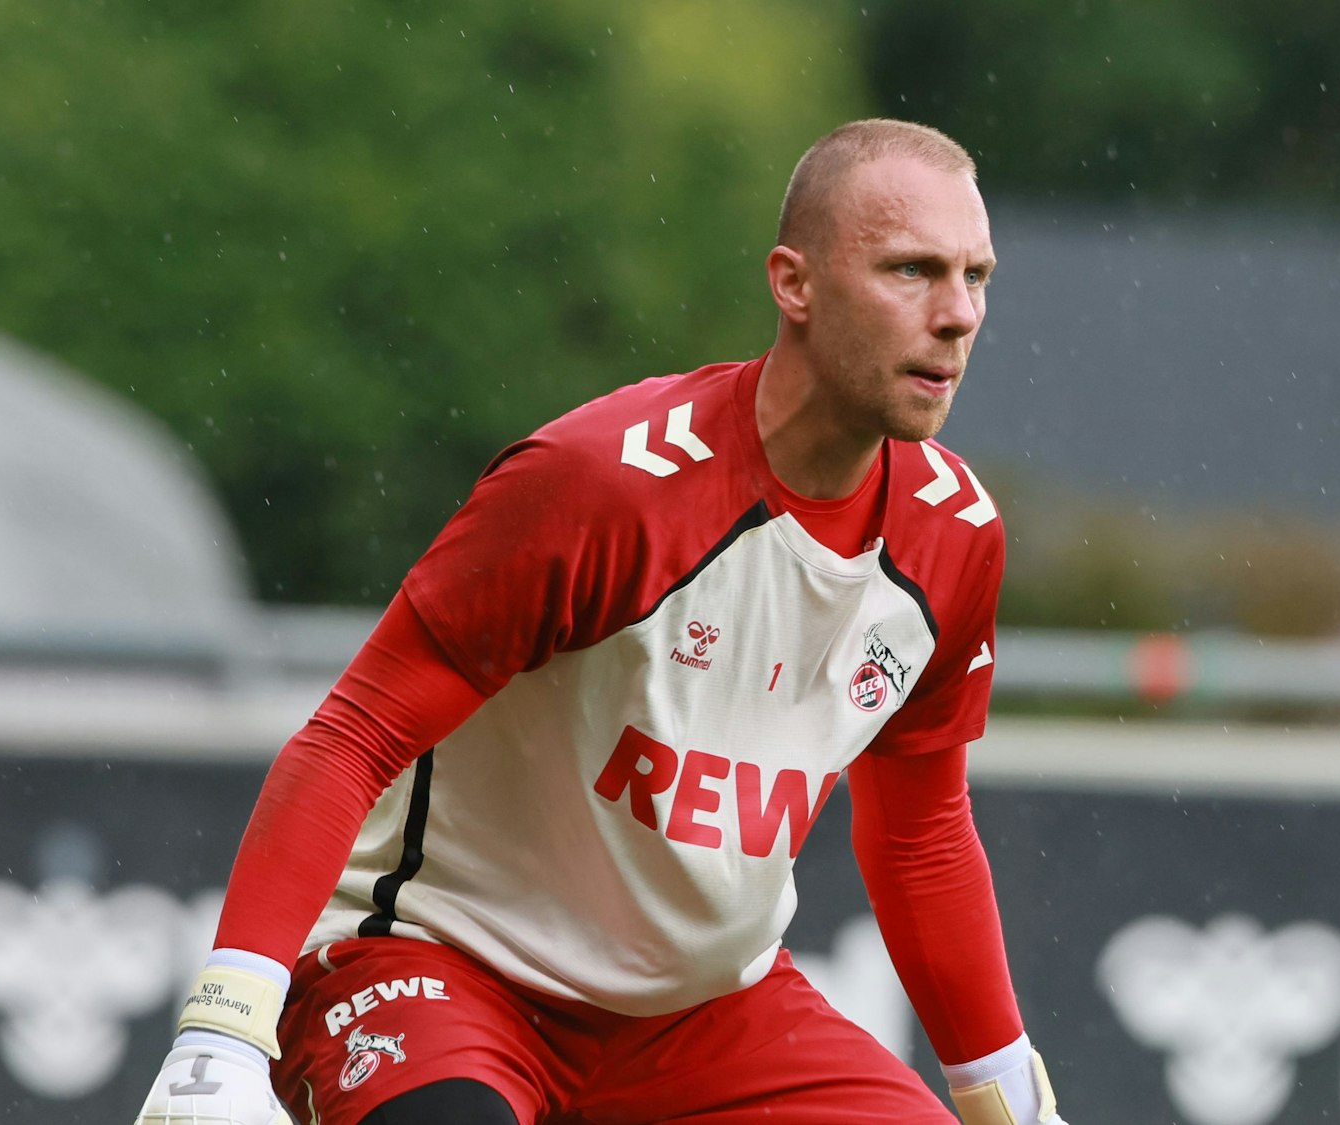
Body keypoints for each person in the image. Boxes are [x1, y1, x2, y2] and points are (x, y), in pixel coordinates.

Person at [134, 118, 1063, 1125]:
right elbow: (351, 736)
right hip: (443, 969)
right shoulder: (602, 487)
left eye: (976, 276)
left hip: (706, 1021)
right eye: (911, 271)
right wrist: (220, 1033)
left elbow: (921, 832)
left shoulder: (954, 533)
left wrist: (1002, 1091)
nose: (957, 315)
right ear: (793, 284)